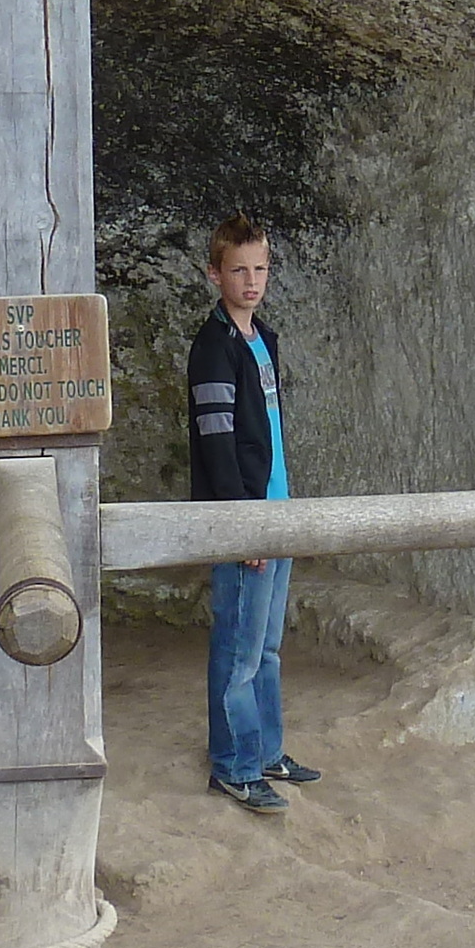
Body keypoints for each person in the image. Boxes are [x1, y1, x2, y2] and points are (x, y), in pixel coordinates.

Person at [186, 218, 319, 815]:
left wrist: (276, 514)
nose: (251, 280)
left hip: (276, 509)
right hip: (248, 519)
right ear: (216, 274)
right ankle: (233, 767)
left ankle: (264, 752)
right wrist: (244, 523)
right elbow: (215, 441)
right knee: (239, 649)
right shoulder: (213, 346)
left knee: (265, 648)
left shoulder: (260, 336)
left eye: (260, 268)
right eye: (238, 269)